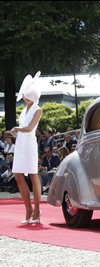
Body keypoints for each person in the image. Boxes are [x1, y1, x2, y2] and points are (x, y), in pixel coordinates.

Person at [11, 71, 43, 224]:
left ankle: (37, 209)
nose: (25, 97)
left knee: (32, 175)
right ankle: (28, 208)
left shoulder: (38, 109)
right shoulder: (23, 110)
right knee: (18, 176)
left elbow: (30, 128)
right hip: (20, 144)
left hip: (29, 144)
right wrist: (16, 131)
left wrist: (16, 129)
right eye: (24, 94)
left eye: (28, 94)